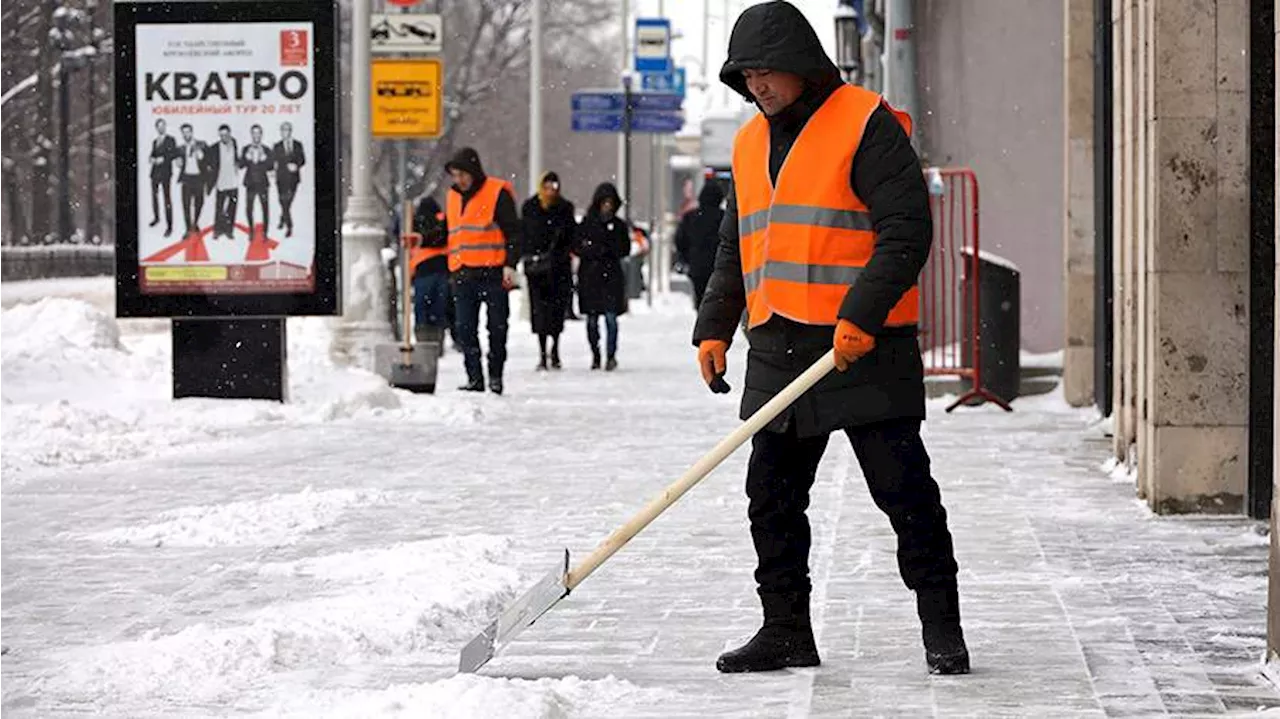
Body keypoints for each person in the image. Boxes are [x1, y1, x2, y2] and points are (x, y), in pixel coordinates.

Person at [692, 1, 968, 676]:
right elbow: (738, 244)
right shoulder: (749, 142)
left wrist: (862, 316)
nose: (758, 85)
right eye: (747, 74)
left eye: (768, 71)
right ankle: (785, 628)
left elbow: (906, 231)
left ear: (802, 64)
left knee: (904, 492)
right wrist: (714, 326)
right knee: (771, 499)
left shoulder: (865, 123)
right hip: (779, 347)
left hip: (860, 350)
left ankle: (943, 628)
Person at [444, 147, 521, 395]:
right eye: (455, 175)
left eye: (463, 174)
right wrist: (421, 239)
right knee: (465, 328)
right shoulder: (452, 197)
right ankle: (475, 378)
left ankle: (495, 376)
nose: (459, 180)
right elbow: (450, 232)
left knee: (497, 328)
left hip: (493, 273)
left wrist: (510, 263)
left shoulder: (497, 193)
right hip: (462, 273)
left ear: (474, 172)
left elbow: (514, 233)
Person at [521, 171, 576, 370]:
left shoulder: (565, 209)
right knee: (540, 312)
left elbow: (571, 237)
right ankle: (543, 352)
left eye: (553, 187)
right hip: (537, 270)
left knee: (556, 311)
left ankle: (555, 349)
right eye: (547, 187)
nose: (550, 191)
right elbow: (525, 235)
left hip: (558, 269)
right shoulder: (530, 208)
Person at [573, 183, 630, 372]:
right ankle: (596, 354)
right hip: (591, 277)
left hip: (611, 277)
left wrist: (606, 250)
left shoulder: (619, 226)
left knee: (611, 319)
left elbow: (624, 249)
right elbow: (577, 246)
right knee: (592, 320)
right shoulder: (587, 224)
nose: (607, 206)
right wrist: (593, 250)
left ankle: (611, 355)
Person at [674, 180, 725, 309]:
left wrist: (685, 259)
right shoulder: (724, 218)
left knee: (701, 296)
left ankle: (702, 317)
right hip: (719, 265)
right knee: (718, 298)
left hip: (697, 265)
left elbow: (680, 240)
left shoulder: (691, 217)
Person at [406, 194, 449, 346]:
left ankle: (423, 340)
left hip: (422, 270)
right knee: (439, 308)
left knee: (422, 308)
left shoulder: (413, 221)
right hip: (442, 268)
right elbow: (442, 238)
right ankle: (436, 340)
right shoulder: (443, 219)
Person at [273, 121, 305, 237]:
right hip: (281, 179)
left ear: (290, 131)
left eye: (286, 130)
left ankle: (282, 218)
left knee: (288, 202)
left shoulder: (298, 145)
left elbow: (302, 159)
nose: (284, 132)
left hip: (293, 179)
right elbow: (274, 161)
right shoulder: (277, 146)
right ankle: (289, 226)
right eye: (282, 130)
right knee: (283, 201)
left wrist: (296, 165)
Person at [241, 124, 273, 237]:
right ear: (251, 134)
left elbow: (271, 167)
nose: (256, 135)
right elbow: (240, 165)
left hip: (263, 183)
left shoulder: (267, 149)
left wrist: (265, 159)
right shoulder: (245, 149)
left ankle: (265, 233)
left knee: (265, 208)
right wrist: (246, 157)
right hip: (250, 183)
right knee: (249, 208)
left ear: (261, 134)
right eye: (254, 133)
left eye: (258, 133)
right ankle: (251, 231)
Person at [209, 124, 239, 240]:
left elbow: (236, 159)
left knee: (232, 207)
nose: (224, 137)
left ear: (230, 134)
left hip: (233, 182)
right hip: (221, 182)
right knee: (219, 208)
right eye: (221, 135)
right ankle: (217, 231)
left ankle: (229, 231)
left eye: (226, 135)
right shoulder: (214, 148)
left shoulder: (234, 143)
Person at [176, 123, 206, 236]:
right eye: (184, 133)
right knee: (186, 204)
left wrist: (200, 153)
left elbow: (206, 159)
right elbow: (178, 162)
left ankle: (195, 223)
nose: (186, 134)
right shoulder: (180, 148)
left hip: (199, 178)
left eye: (188, 132)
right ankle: (188, 229)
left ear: (192, 132)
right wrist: (178, 163)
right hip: (187, 178)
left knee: (199, 203)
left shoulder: (201, 144)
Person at [148, 119, 176, 238]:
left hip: (165, 173)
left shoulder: (170, 140)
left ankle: (169, 226)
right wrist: (151, 158)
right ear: (156, 128)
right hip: (155, 173)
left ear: (165, 127)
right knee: (154, 196)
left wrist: (163, 159)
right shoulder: (155, 141)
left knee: (167, 198)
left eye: (163, 126)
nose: (161, 128)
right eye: (159, 126)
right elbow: (153, 153)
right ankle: (156, 218)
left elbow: (172, 154)